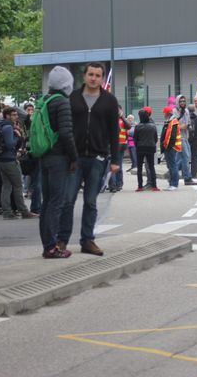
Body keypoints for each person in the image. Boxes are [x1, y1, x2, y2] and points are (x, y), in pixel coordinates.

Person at [59, 62, 119, 257]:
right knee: (67, 201)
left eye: (98, 75)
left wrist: (115, 160)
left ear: (102, 78)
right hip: (74, 158)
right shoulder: (72, 98)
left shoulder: (109, 100)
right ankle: (62, 240)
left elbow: (114, 132)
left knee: (91, 202)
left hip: (97, 158)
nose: (94, 78)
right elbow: (65, 127)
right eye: (91, 74)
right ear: (84, 76)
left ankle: (87, 240)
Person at [39, 66, 78, 258]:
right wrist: (73, 157)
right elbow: (66, 132)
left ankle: (47, 245)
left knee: (47, 202)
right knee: (57, 201)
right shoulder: (62, 102)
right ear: (66, 84)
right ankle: (52, 247)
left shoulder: (44, 101)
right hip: (58, 158)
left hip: (44, 156)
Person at [0, 107, 38, 220]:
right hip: (10, 160)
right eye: (14, 115)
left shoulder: (0, 125)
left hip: (1, 160)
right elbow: (10, 144)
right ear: (7, 116)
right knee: (18, 186)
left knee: (6, 186)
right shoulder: (8, 127)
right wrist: (18, 137)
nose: (16, 117)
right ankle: (24, 211)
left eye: (16, 115)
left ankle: (7, 212)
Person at [174, 95, 197, 185]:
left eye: (184, 101)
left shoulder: (187, 111)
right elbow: (173, 125)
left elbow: (188, 123)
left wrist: (188, 126)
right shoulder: (175, 111)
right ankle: (187, 177)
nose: (182, 103)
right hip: (179, 137)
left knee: (179, 159)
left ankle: (172, 175)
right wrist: (182, 126)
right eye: (180, 101)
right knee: (186, 156)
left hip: (186, 136)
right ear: (177, 102)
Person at [134, 108, 159, 192]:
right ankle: (154, 186)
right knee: (151, 167)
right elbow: (155, 138)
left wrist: (138, 145)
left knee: (140, 167)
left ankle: (140, 186)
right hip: (150, 147)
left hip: (140, 148)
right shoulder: (153, 126)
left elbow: (135, 139)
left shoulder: (138, 126)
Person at [108, 105, 129, 192]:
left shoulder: (121, 120)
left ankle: (116, 185)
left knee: (114, 165)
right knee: (116, 165)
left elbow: (128, 127)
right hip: (118, 144)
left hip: (119, 145)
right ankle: (116, 184)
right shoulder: (115, 119)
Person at [160, 106, 181, 191]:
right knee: (171, 165)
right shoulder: (170, 121)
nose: (164, 115)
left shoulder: (173, 122)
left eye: (164, 113)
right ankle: (172, 183)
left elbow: (172, 137)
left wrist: (167, 147)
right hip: (169, 147)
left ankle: (174, 184)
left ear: (168, 114)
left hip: (171, 147)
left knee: (173, 165)